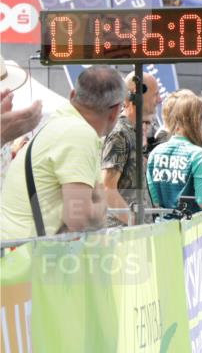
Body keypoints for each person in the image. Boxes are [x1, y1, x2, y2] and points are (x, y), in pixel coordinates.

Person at [0, 65, 123, 239]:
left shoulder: (61, 124)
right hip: (29, 257)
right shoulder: (79, 132)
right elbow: (78, 218)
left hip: (18, 252)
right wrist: (102, 205)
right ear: (116, 110)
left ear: (72, 95)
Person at [146, 92, 202, 215]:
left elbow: (155, 199)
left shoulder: (156, 152)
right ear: (197, 120)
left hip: (161, 226)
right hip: (187, 228)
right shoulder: (198, 155)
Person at [102, 72, 159, 226]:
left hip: (135, 235)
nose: (159, 100)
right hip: (123, 237)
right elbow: (107, 188)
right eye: (155, 95)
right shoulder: (119, 133)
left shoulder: (133, 132)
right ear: (136, 95)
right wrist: (134, 223)